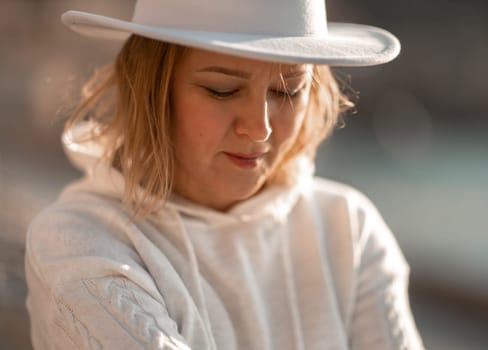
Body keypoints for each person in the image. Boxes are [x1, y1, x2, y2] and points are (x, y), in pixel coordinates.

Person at [25, 0, 425, 349]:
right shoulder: (78, 242)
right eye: (222, 89)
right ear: (151, 89)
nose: (261, 127)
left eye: (287, 91)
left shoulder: (347, 229)